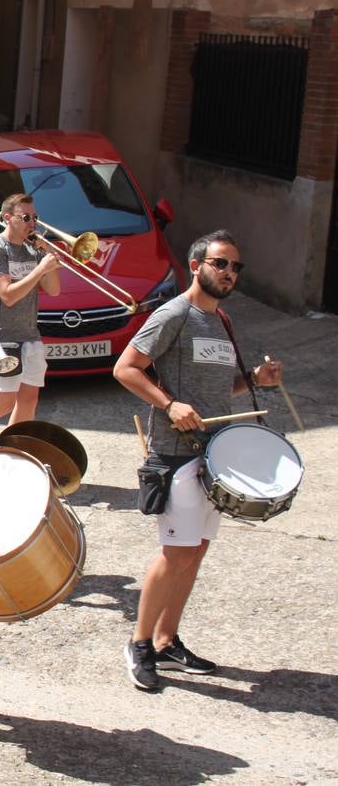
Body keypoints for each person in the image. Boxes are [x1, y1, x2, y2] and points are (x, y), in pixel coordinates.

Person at [113, 230, 283, 691]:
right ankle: (139, 644)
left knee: (196, 551)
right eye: (220, 263)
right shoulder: (174, 314)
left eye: (235, 267)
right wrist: (169, 406)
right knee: (176, 554)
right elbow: (126, 368)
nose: (228, 273)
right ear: (195, 266)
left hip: (214, 454)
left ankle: (166, 642)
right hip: (176, 453)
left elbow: (217, 392)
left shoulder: (221, 320)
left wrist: (255, 378)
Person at [0, 194, 60, 426]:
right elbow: (7, 296)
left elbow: (54, 290)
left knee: (29, 400)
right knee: (3, 402)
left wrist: (48, 259)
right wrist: (40, 269)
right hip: (3, 336)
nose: (32, 223)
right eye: (26, 217)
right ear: (8, 218)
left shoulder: (33, 249)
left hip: (30, 335)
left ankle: (13, 445)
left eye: (35, 217)